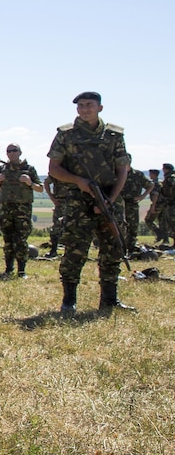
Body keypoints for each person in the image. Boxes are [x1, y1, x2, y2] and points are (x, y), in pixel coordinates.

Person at [48, 91, 134, 313]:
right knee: (75, 250)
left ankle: (109, 300)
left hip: (109, 196)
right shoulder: (66, 134)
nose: (85, 109)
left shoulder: (114, 135)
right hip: (78, 200)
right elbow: (54, 169)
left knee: (112, 249)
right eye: (81, 106)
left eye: (89, 105)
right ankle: (69, 301)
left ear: (100, 108)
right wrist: (78, 181)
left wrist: (110, 200)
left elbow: (122, 169)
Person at [0, 144, 42, 278]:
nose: (12, 153)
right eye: (9, 151)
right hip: (6, 208)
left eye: (14, 150)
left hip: (23, 209)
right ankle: (8, 269)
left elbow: (40, 188)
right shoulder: (4, 169)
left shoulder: (29, 169)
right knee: (7, 239)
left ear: (20, 152)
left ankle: (22, 271)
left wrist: (30, 183)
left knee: (21, 240)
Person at [119, 157, 152, 254]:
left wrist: (142, 196)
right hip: (119, 204)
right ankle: (120, 248)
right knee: (119, 226)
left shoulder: (138, 174)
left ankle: (131, 248)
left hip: (132, 204)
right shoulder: (117, 173)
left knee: (132, 227)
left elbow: (150, 185)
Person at [43, 173, 69, 258]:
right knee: (56, 226)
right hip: (60, 202)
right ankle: (53, 250)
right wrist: (51, 197)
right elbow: (46, 183)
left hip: (73, 201)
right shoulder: (57, 170)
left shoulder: (74, 170)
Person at [151, 164, 175, 247]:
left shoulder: (170, 177)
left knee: (172, 222)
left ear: (166, 169)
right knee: (168, 222)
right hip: (169, 203)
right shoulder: (170, 177)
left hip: (172, 204)